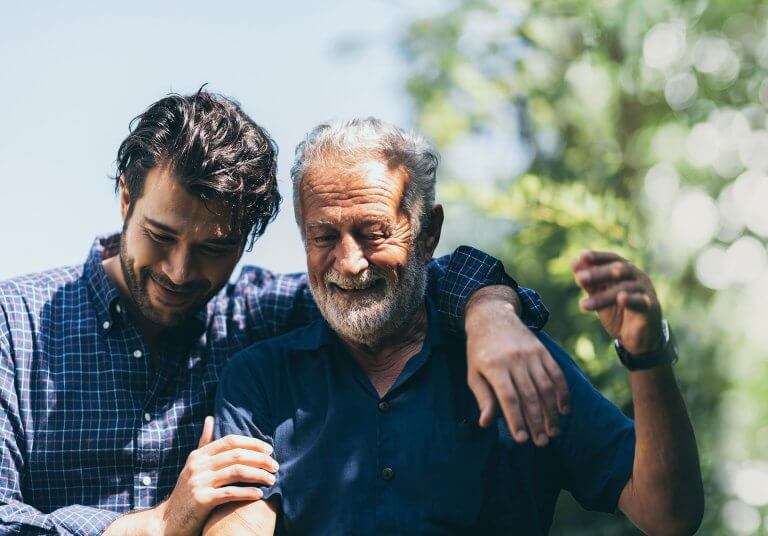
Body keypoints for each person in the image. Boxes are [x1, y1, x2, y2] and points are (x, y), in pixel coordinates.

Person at [0, 91, 567, 536]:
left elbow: (398, 278)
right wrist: (150, 527)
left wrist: (492, 311)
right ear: (126, 199)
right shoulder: (13, 324)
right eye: (160, 235)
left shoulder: (259, 315)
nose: (178, 270)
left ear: (247, 240)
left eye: (212, 249)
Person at [208, 118, 705, 535]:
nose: (350, 261)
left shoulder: (516, 357)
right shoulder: (260, 380)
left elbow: (668, 514)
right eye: (322, 236)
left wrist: (647, 354)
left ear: (428, 235)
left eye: (374, 233)